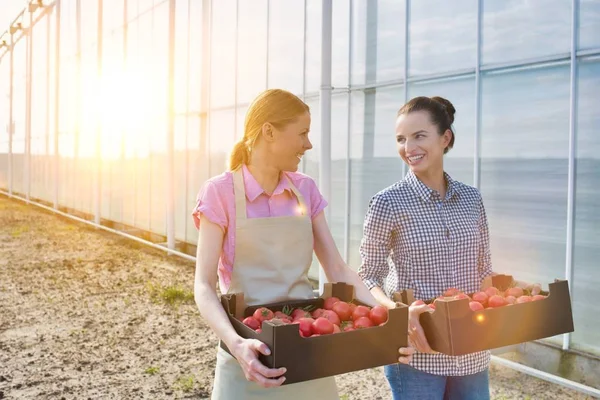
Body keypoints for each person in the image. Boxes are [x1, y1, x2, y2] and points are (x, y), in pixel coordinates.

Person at [192, 88, 414, 400]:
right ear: (269, 131)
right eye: (303, 133)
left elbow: (337, 268)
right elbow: (203, 286)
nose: (308, 144)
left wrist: (388, 316)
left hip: (308, 348)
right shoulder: (219, 193)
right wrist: (237, 344)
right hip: (249, 354)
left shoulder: (305, 189)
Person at [357, 96, 541, 400]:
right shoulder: (387, 203)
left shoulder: (472, 199)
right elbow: (368, 277)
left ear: (445, 138)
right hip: (418, 352)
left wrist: (522, 290)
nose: (408, 148)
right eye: (401, 139)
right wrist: (398, 313)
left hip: (472, 351)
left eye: (419, 136)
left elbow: (483, 272)